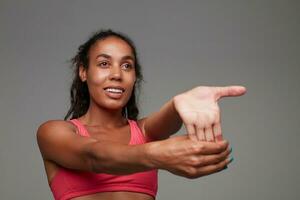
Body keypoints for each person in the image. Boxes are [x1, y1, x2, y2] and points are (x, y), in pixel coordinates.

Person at [36, 29, 246, 200]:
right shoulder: (53, 132)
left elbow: (166, 120)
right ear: (84, 72)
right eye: (104, 64)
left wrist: (180, 102)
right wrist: (158, 155)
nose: (117, 74)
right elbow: (94, 157)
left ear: (135, 77)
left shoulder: (143, 133)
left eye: (127, 66)